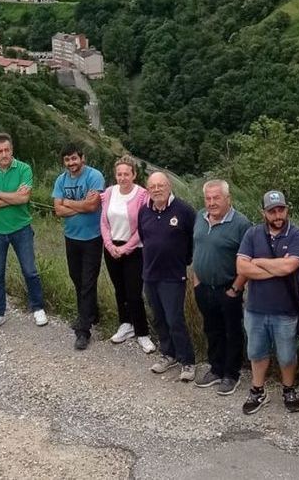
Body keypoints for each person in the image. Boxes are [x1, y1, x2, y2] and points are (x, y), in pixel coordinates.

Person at [235, 190, 299, 415]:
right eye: (272, 211)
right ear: (264, 212)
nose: (277, 215)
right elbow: (241, 268)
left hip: (286, 310)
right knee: (256, 353)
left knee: (287, 355)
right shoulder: (252, 233)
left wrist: (257, 262)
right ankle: (258, 390)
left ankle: (289, 389)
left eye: (281, 210)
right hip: (255, 309)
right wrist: (275, 267)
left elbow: (289, 267)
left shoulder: (298, 234)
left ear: (287, 209)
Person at [0, 132, 47, 332]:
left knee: (30, 271)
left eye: (7, 150)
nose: (4, 154)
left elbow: (23, 199)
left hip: (21, 228)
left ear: (12, 150)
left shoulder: (24, 168)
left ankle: (38, 307)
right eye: (0, 151)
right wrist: (12, 196)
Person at [190, 179, 253, 396]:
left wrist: (235, 289)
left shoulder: (241, 224)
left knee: (232, 332)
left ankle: (231, 374)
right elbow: (196, 249)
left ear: (228, 198)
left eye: (216, 198)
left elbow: (248, 260)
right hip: (204, 287)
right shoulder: (199, 217)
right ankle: (216, 369)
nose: (211, 202)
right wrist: (197, 281)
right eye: (208, 198)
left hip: (229, 288)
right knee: (212, 329)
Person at [136, 171, 197, 382]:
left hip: (173, 275)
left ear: (169, 185)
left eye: (160, 185)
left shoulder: (185, 210)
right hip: (150, 274)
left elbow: (194, 239)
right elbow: (144, 237)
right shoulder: (144, 211)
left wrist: (186, 260)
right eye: (152, 186)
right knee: (159, 318)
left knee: (175, 319)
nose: (156, 189)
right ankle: (168, 354)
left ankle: (187, 360)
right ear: (147, 189)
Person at [52, 143, 106, 350]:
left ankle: (83, 330)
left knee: (88, 281)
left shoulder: (94, 176)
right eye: (67, 160)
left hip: (92, 237)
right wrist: (80, 205)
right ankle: (91, 314)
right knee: (77, 278)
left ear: (82, 158)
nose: (71, 163)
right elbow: (58, 210)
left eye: (74, 158)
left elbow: (93, 206)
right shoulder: (61, 179)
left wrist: (67, 202)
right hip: (71, 237)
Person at [99, 156, 155, 353]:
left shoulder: (142, 195)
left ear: (134, 175)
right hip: (112, 247)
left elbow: (143, 226)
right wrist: (109, 245)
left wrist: (125, 248)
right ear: (115, 175)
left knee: (134, 292)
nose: (122, 178)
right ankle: (125, 324)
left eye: (126, 174)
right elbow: (104, 222)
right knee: (119, 289)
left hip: (134, 249)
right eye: (119, 174)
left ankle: (142, 332)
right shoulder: (108, 192)